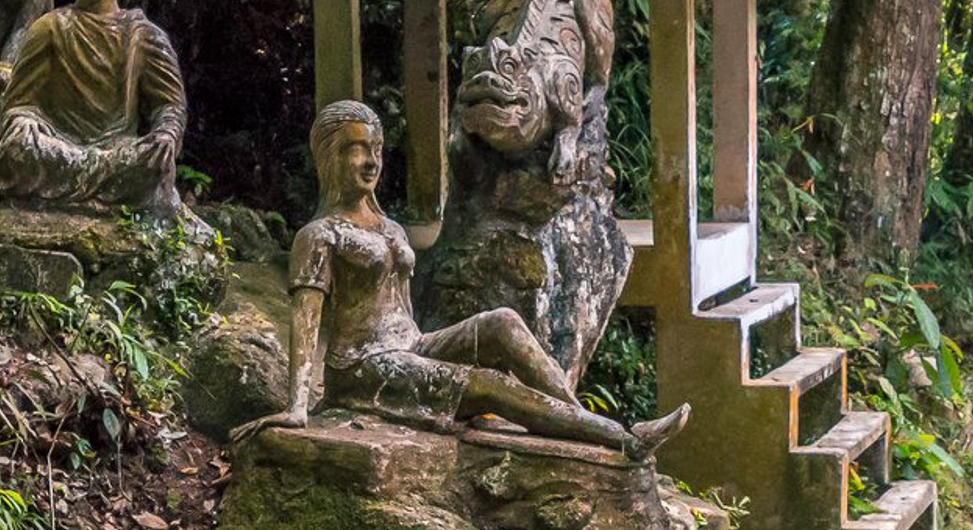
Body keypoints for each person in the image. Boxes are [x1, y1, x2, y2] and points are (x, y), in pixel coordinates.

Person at [243, 99, 689, 461]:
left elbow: (404, 314)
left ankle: (581, 423)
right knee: (490, 386)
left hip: (411, 345)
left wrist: (426, 353)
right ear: (331, 156)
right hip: (364, 367)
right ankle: (622, 437)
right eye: (357, 149)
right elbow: (305, 321)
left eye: (376, 149)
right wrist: (298, 406)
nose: (371, 161)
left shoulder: (391, 228)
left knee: (503, 323)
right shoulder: (319, 235)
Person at [0, 0, 186, 217]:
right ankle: (99, 183)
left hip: (118, 149)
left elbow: (169, 105)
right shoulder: (49, 27)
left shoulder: (143, 35)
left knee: (156, 165)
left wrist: (166, 133)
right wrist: (24, 121)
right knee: (18, 146)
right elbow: (19, 105)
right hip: (60, 146)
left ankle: (81, 183)